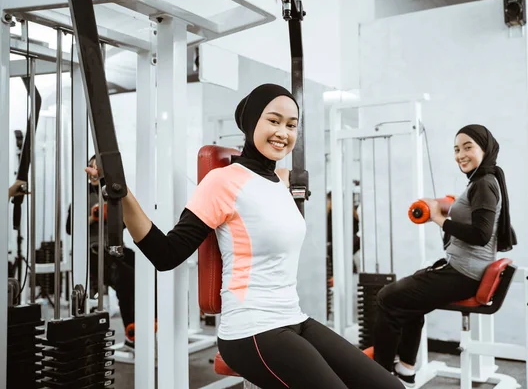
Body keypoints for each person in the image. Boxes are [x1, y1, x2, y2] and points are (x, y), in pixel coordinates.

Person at [86, 84, 405, 389]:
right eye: (274, 121)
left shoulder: (282, 182)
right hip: (251, 329)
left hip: (293, 317)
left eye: (292, 125)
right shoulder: (223, 181)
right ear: (252, 123)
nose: (283, 132)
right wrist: (120, 192)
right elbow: (165, 253)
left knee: (387, 384)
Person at [372, 124, 517, 387]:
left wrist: (439, 218)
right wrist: (446, 204)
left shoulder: (484, 183)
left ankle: (379, 378)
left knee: (386, 298)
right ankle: (405, 369)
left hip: (464, 274)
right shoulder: (481, 179)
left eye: (468, 147)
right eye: (456, 149)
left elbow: (481, 234)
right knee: (406, 300)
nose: (460, 154)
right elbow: (473, 214)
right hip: (465, 269)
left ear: (485, 148)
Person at [68, 155, 136, 351]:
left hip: (117, 248)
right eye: (90, 167)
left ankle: (147, 325)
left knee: (147, 272)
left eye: (97, 168)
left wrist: (114, 214)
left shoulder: (114, 194)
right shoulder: (82, 196)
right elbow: (69, 228)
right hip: (95, 252)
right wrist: (92, 217)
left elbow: (125, 224)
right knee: (127, 279)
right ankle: (132, 332)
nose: (93, 172)